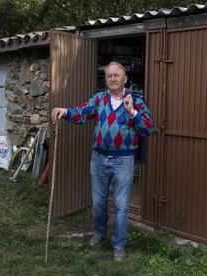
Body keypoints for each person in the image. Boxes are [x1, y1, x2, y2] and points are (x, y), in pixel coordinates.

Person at [51, 61, 154, 262]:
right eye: (109, 76)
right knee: (98, 203)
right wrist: (65, 111)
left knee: (121, 206)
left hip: (123, 161)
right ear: (105, 79)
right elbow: (83, 112)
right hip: (99, 159)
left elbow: (148, 128)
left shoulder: (137, 101)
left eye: (116, 75)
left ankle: (119, 245)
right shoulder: (99, 99)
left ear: (125, 79)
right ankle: (99, 233)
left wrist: (132, 112)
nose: (113, 79)